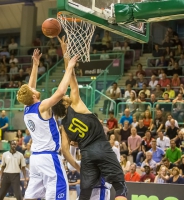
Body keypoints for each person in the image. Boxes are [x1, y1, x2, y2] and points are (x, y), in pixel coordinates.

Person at [53, 36, 127, 200]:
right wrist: (65, 53)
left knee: (84, 194)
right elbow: (71, 77)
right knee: (120, 187)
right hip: (101, 147)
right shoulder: (76, 104)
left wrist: (77, 167)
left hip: (86, 155)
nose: (66, 96)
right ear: (65, 103)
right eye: (64, 97)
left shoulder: (63, 126)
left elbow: (65, 151)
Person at [16, 48, 78, 200]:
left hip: (35, 159)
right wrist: (69, 67)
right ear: (33, 95)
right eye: (32, 90)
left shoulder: (27, 109)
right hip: (48, 157)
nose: (34, 88)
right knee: (57, 192)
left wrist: (35, 65)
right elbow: (61, 92)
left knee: (31, 196)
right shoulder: (42, 106)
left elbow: (30, 86)